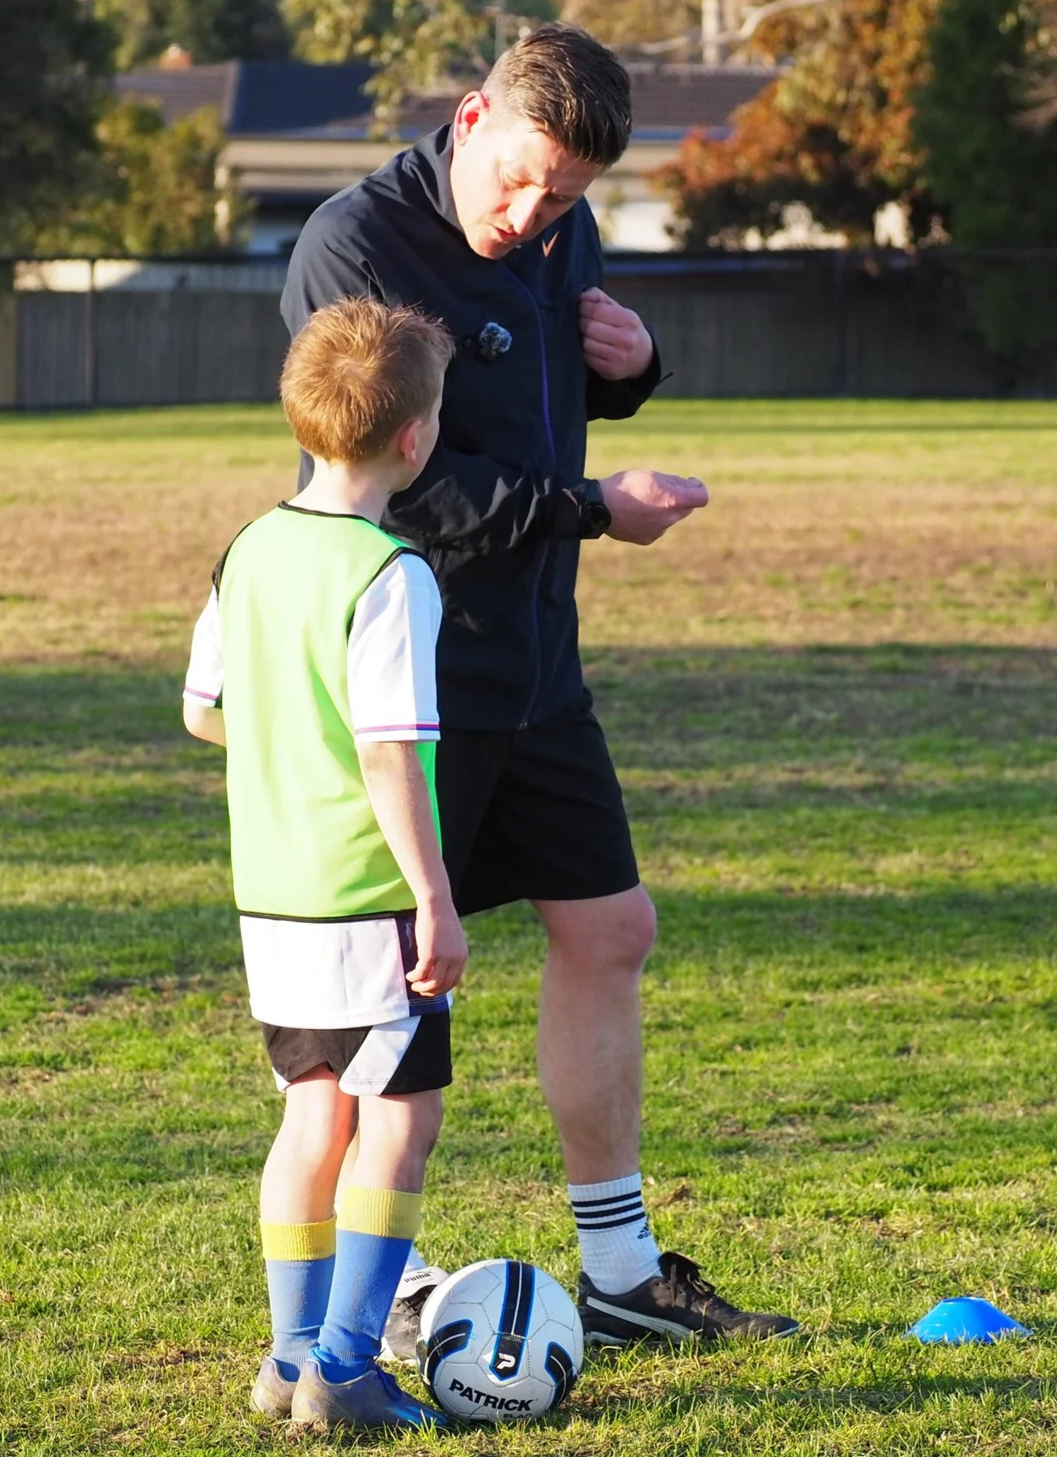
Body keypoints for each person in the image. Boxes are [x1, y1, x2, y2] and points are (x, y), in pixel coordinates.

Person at [281, 22, 800, 1350]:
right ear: (469, 119)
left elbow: (553, 380)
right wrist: (587, 509)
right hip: (399, 675)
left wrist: (632, 374)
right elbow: (404, 480)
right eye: (515, 180)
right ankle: (374, 1296)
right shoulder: (356, 246)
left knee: (608, 928)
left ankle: (621, 1278)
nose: (531, 215)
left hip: (530, 663)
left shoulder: (562, 229)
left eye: (562, 197)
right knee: (382, 1000)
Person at [183, 298, 464, 1432]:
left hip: (273, 896)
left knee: (311, 1112)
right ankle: (343, 1366)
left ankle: (285, 1356)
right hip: (365, 901)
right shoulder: (389, 572)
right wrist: (435, 898)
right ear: (414, 438)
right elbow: (389, 749)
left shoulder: (250, 547)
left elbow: (202, 710)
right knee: (398, 1119)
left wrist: (288, 739)